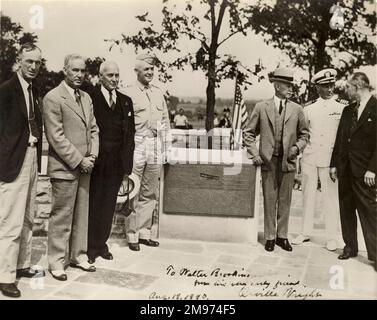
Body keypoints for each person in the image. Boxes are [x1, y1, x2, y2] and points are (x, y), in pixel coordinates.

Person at [43, 54, 99, 281]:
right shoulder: (53, 98)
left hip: (85, 166)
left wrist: (92, 155)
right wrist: (79, 160)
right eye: (74, 70)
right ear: (65, 70)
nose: (79, 75)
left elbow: (94, 129)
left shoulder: (86, 97)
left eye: (82, 70)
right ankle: (57, 261)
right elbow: (56, 137)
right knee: (62, 216)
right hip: (65, 167)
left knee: (81, 214)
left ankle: (78, 255)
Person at [244, 67, 309, 252]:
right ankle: (270, 237)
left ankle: (282, 236)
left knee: (285, 200)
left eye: (291, 85)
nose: (291, 89)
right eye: (287, 85)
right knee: (269, 199)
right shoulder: (261, 107)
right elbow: (248, 133)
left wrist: (297, 148)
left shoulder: (297, 109)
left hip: (287, 162)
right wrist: (255, 154)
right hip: (268, 161)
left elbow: (305, 134)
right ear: (277, 86)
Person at [0, 44, 45, 298]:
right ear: (19, 61)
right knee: (10, 220)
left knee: (29, 214)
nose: (33, 66)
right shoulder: (6, 91)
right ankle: (5, 276)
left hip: (32, 156)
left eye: (37, 62)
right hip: (12, 161)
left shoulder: (34, 90)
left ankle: (22, 264)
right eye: (29, 61)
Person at [87, 61, 135, 264]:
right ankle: (89, 247)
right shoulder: (90, 98)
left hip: (116, 163)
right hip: (97, 162)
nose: (114, 79)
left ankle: (101, 245)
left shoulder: (125, 101)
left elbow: (130, 135)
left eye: (117, 75)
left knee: (108, 205)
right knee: (94, 203)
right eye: (110, 76)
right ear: (100, 77)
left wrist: (127, 167)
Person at [292, 68, 346, 251]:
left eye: (331, 85)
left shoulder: (342, 107)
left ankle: (332, 236)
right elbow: (303, 134)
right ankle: (305, 232)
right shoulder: (309, 108)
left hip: (331, 160)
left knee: (331, 198)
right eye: (325, 86)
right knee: (308, 195)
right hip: (310, 157)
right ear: (317, 88)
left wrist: (339, 162)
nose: (330, 89)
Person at [123, 53, 171, 251]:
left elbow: (165, 121)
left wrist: (166, 148)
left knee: (150, 191)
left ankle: (144, 232)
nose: (150, 72)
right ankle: (132, 234)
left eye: (152, 69)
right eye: (146, 69)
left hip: (155, 144)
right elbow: (124, 125)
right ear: (137, 71)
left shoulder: (158, 93)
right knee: (133, 189)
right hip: (136, 144)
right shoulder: (128, 93)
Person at [330, 72, 376, 271]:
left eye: (348, 87)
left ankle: (375, 254)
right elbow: (340, 139)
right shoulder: (348, 110)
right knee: (346, 209)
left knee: (370, 212)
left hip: (365, 171)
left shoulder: (376, 108)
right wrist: (334, 164)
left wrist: (373, 169)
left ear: (358, 87)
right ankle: (350, 246)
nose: (345, 91)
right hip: (345, 169)